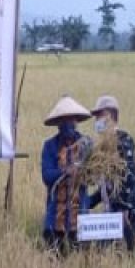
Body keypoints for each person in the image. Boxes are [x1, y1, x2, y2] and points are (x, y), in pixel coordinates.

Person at [89, 95, 135, 251]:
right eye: (96, 118)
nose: (97, 122)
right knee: (106, 253)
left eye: (100, 116)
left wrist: (125, 207)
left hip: (129, 214)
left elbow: (129, 177)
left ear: (112, 116)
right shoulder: (102, 146)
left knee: (125, 256)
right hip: (112, 215)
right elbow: (108, 186)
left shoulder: (123, 140)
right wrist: (88, 202)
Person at [41, 95, 92, 255]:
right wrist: (66, 171)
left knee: (79, 260)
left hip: (80, 218)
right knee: (55, 261)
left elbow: (92, 177)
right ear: (58, 123)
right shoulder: (50, 146)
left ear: (76, 121)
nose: (68, 123)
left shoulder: (86, 145)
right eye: (64, 120)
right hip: (56, 219)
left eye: (71, 119)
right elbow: (47, 176)